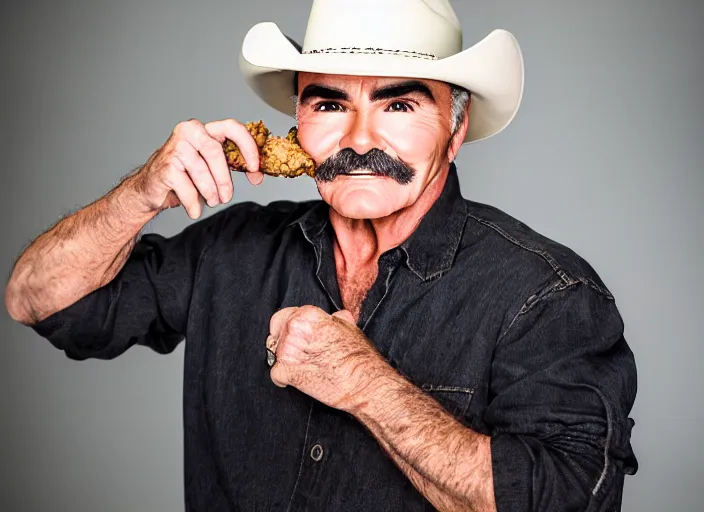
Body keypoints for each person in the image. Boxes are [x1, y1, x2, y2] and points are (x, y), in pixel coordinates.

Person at [4, 0, 638, 510]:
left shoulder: (547, 295)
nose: (359, 139)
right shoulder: (233, 250)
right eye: (330, 103)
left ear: (457, 124)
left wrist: (365, 386)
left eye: (399, 104)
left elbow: (567, 499)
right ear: (297, 123)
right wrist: (140, 195)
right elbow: (35, 299)